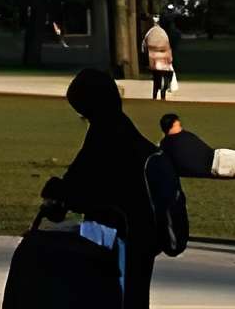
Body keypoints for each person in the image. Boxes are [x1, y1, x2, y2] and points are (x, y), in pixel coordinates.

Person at [38, 68, 158, 309]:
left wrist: (58, 193)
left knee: (116, 295)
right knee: (134, 294)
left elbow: (86, 185)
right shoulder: (124, 129)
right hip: (143, 233)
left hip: (119, 235)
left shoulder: (106, 135)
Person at [143, 18, 174, 101]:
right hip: (163, 61)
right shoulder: (163, 33)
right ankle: (163, 95)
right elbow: (168, 47)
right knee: (165, 78)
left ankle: (155, 96)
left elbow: (145, 45)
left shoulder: (150, 32)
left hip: (155, 60)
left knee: (156, 80)